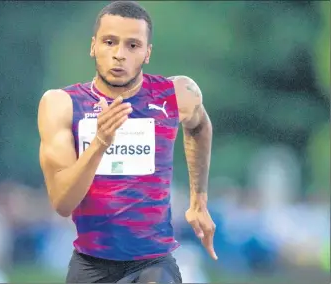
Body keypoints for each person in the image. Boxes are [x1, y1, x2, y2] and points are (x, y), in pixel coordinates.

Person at [37, 1, 217, 283]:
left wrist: (199, 199)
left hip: (154, 262)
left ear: (147, 53)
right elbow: (62, 202)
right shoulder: (62, 105)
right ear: (93, 46)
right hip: (91, 263)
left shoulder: (176, 94)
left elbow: (200, 126)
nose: (119, 54)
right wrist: (99, 142)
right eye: (110, 42)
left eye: (133, 45)